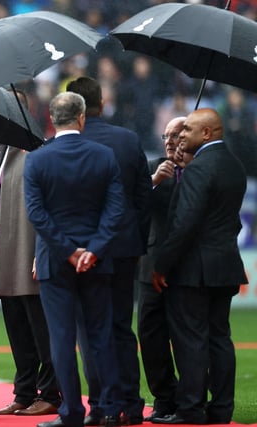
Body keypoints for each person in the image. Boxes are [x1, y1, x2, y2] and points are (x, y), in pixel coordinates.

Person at [23, 92, 125, 427]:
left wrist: (68, 251)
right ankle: (110, 409)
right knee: (100, 335)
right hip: (97, 262)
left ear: (51, 119)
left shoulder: (37, 160)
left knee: (62, 339)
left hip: (55, 261)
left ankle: (71, 413)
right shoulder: (104, 156)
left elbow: (37, 215)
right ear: (82, 117)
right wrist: (92, 250)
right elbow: (115, 210)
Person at [152, 108, 247, 425]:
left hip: (193, 272)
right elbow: (232, 223)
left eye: (189, 130)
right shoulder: (234, 166)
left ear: (207, 133)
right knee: (220, 339)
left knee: (191, 340)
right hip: (225, 266)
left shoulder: (198, 169)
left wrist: (162, 265)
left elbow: (184, 225)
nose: (182, 136)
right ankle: (221, 409)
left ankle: (191, 408)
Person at [66, 76, 151, 425]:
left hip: (84, 251)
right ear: (102, 102)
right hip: (125, 248)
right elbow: (143, 199)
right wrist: (136, 242)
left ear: (76, 107)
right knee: (120, 326)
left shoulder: (68, 144)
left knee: (90, 329)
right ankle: (130, 404)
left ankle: (101, 404)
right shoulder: (128, 140)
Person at [0, 90, 61, 417]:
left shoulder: (37, 150)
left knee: (40, 327)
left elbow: (49, 209)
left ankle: (51, 393)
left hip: (28, 252)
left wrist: (40, 251)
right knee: (17, 327)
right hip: (5, 249)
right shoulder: (1, 154)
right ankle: (24, 391)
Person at [136, 117, 185, 422]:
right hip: (151, 266)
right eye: (166, 136)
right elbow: (132, 205)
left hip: (187, 267)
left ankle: (191, 396)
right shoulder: (152, 167)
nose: (169, 142)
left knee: (187, 336)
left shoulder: (198, 170)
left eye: (176, 136)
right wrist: (153, 181)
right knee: (150, 334)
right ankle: (163, 397)